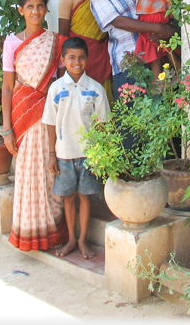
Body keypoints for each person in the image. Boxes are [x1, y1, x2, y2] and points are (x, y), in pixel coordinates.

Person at [0, 0, 68, 251]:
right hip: (22, 112)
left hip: (48, 110)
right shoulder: (12, 43)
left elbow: (62, 80)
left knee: (49, 170)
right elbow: (7, 86)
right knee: (28, 170)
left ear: (46, 9)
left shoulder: (55, 42)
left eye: (40, 6)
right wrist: (7, 128)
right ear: (21, 11)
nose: (35, 11)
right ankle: (30, 230)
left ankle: (51, 229)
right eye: (29, 7)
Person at [42, 37, 109, 259]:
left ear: (87, 59)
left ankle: (82, 241)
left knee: (85, 196)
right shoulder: (56, 88)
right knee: (68, 197)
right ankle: (71, 239)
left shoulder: (96, 89)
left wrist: (102, 154)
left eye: (81, 57)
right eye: (71, 58)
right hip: (63, 153)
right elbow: (50, 123)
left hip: (88, 154)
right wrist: (52, 154)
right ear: (63, 60)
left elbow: (103, 124)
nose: (77, 62)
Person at [58, 0, 114, 105]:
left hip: (103, 54)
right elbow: (63, 33)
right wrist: (63, 68)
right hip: (80, 56)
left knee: (104, 99)